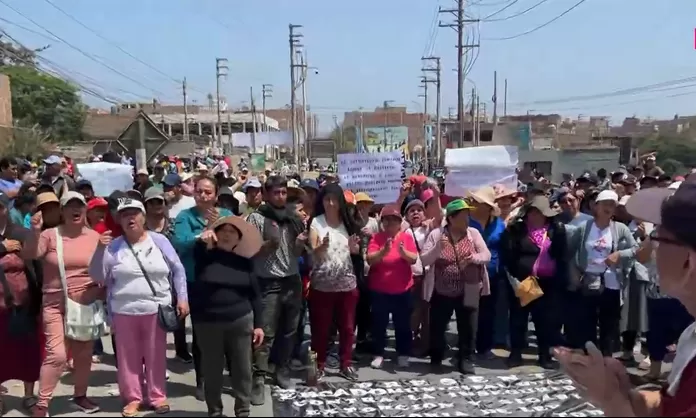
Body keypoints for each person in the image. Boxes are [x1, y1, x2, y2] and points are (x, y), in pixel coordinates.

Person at [555, 178, 696, 416]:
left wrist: (610, 400)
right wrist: (623, 393)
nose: (651, 249)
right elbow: (666, 406)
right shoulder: (690, 337)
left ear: (688, 261)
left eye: (658, 238)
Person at [90, 197, 188, 416]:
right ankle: (133, 398)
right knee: (128, 359)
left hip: (156, 309)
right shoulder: (113, 246)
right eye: (124, 215)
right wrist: (99, 250)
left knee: (155, 355)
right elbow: (98, 276)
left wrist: (182, 297)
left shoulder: (159, 241)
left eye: (134, 213)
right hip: (123, 310)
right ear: (119, 220)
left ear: (143, 217)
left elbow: (178, 269)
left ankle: (157, 396)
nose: (130, 218)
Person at [23, 191, 103, 417]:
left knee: (83, 354)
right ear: (63, 211)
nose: (75, 210)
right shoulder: (50, 235)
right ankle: (43, 402)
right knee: (57, 355)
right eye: (69, 206)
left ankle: (80, 395)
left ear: (85, 210)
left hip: (84, 305)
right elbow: (30, 253)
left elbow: (102, 270)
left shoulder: (95, 237)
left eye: (79, 206)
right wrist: (34, 232)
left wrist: (99, 290)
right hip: (54, 304)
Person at [193, 216, 265, 418]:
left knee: (243, 370)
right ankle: (215, 411)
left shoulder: (245, 263)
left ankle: (243, 410)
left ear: (238, 238)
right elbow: (197, 254)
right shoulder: (204, 256)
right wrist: (203, 241)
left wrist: (259, 325)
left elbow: (256, 295)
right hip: (208, 323)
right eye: (223, 230)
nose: (227, 234)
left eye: (232, 231)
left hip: (240, 320)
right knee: (212, 371)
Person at [246, 176, 305, 405]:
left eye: (283, 192)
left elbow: (298, 252)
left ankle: (282, 369)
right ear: (267, 194)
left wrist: (300, 242)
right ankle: (258, 379)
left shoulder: (293, 218)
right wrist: (264, 247)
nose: (280, 196)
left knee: (289, 331)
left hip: (292, 280)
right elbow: (248, 250)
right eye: (276, 193)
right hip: (268, 282)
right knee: (265, 334)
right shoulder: (256, 218)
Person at [172, 177, 233, 398]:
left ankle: (223, 377)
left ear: (216, 195)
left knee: (225, 333)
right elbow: (180, 243)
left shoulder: (226, 216)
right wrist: (204, 232)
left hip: (224, 281)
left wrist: (218, 229)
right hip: (195, 281)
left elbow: (235, 242)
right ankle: (202, 380)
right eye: (199, 191)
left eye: (208, 192)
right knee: (201, 334)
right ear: (193, 193)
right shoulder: (184, 217)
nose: (204, 196)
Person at [420, 199, 491, 374]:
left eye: (468, 215)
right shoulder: (437, 235)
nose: (467, 219)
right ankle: (436, 357)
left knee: (468, 327)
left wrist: (474, 258)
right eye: (463, 215)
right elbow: (424, 259)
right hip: (442, 290)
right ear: (451, 218)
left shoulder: (473, 233)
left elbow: (486, 255)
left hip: (468, 289)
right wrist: (437, 249)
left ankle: (466, 359)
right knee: (437, 326)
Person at [565, 190, 639, 357]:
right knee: (586, 322)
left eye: (612, 204)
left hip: (611, 282)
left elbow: (636, 249)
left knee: (609, 323)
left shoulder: (620, 229)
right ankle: (590, 358)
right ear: (595, 206)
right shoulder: (584, 228)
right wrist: (574, 271)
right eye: (605, 203)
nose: (608, 207)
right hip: (588, 280)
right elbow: (570, 251)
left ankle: (606, 358)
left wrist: (619, 254)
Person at [500, 195, 568, 369]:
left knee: (545, 321)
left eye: (539, 213)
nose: (535, 216)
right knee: (518, 319)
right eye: (532, 212)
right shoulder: (516, 230)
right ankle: (516, 354)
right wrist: (514, 277)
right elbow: (508, 254)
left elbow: (562, 255)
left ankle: (544, 356)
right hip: (524, 281)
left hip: (547, 283)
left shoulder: (556, 230)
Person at [307, 183, 361, 381]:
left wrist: (355, 249)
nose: (330, 203)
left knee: (347, 328)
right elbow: (314, 249)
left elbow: (355, 252)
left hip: (346, 285)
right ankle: (319, 365)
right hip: (322, 285)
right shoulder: (316, 223)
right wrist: (321, 247)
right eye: (327, 199)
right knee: (321, 329)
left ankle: (345, 364)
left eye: (334, 199)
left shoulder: (348, 224)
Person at [0, 193, 43, 415]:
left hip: (22, 303)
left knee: (27, 351)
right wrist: (2, 247)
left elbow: (36, 261)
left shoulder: (20, 233)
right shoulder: (7, 240)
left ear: (6, 209)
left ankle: (28, 394)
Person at [366, 205, 418, 369]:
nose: (390, 223)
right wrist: (383, 251)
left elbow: (414, 258)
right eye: (386, 220)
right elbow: (370, 259)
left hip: (402, 290)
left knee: (402, 324)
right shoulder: (376, 238)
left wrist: (403, 253)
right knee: (379, 324)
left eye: (394, 220)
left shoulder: (406, 237)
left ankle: (403, 353)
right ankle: (378, 353)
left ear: (399, 222)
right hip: (380, 290)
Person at [467, 187, 507, 360]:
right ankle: (467, 348)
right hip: (470, 274)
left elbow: (504, 247)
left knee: (488, 312)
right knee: (469, 311)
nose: (473, 203)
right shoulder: (466, 222)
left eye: (477, 201)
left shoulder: (499, 224)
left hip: (493, 275)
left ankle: (484, 347)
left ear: (487, 206)